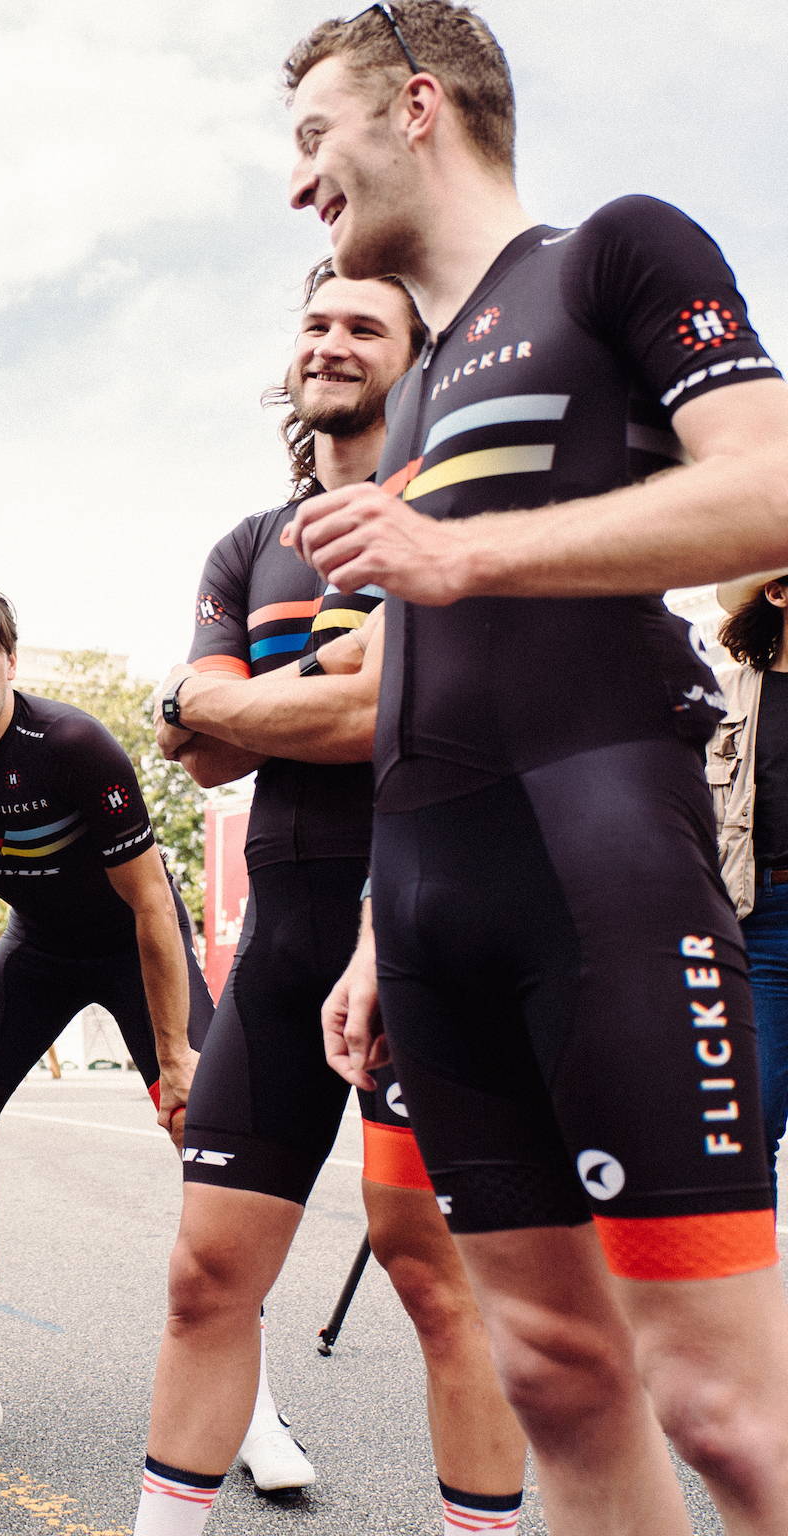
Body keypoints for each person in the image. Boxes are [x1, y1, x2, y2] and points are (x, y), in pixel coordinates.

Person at [278, 6, 788, 1533]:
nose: (299, 184)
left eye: (315, 138)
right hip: (437, 916)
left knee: (724, 1412)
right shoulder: (419, 384)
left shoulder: (617, 252)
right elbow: (432, 695)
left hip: (607, 881)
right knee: (558, 1379)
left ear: (417, 106)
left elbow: (771, 490)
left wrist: (462, 549)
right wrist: (378, 932)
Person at [139, 260, 525, 1532]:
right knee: (206, 1278)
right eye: (315, 322)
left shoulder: (451, 516)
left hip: (429, 928)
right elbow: (195, 747)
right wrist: (323, 678)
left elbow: (363, 718)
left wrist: (250, 699)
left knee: (434, 1279)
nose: (332, 342)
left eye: (367, 324)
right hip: (289, 930)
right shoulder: (249, 545)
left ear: (416, 361)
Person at [0, 570, 238, 1456]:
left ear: (9, 659)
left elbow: (153, 905)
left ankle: (247, 1401)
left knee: (208, 1133)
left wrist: (176, 1052)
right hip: (38, 947)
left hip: (130, 939)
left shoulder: (73, 742)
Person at [709, 570, 788, 1185]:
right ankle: (748, 1278)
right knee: (749, 1120)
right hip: (762, 923)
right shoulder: (725, 695)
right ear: (778, 592)